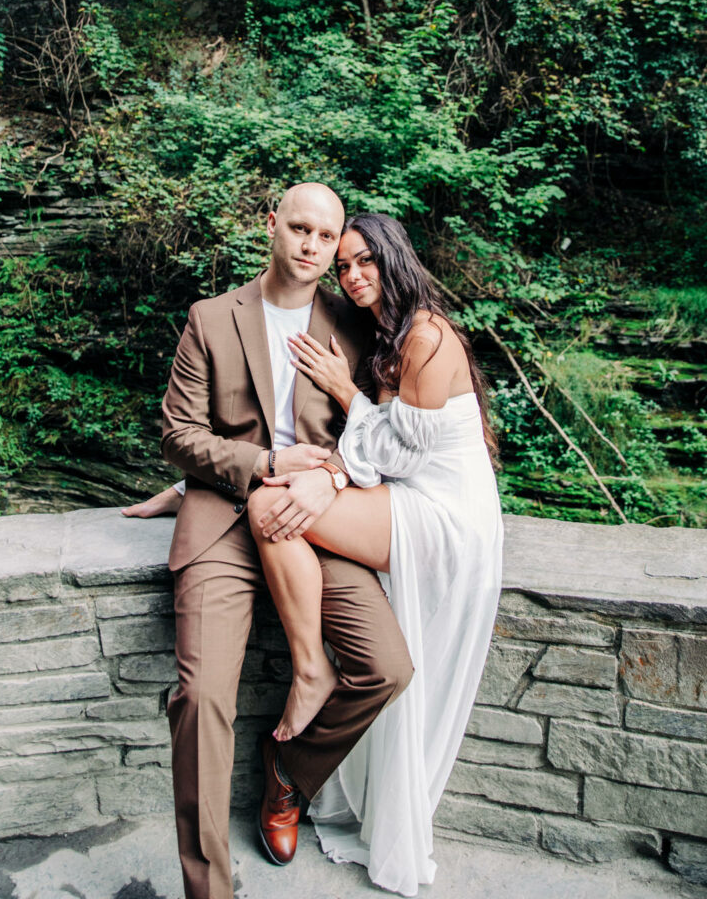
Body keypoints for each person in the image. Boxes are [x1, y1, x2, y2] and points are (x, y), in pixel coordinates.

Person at [123, 184, 413, 899]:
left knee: (386, 668)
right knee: (201, 698)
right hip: (225, 518)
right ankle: (209, 890)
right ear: (271, 225)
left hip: (312, 525)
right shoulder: (211, 318)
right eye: (300, 228)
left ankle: (289, 778)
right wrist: (264, 464)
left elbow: (386, 428)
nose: (313, 246)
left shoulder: (354, 323)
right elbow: (178, 435)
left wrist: (335, 473)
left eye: (327, 235)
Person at [245, 211, 503, 896]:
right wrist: (335, 459)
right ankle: (312, 682)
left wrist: (341, 391)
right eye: (345, 267)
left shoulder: (423, 335)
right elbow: (385, 447)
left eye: (366, 262)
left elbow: (392, 451)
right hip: (415, 498)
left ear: (395, 259)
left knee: (272, 505)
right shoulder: (397, 331)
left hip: (443, 517)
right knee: (281, 501)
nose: (354, 277)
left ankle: (310, 678)